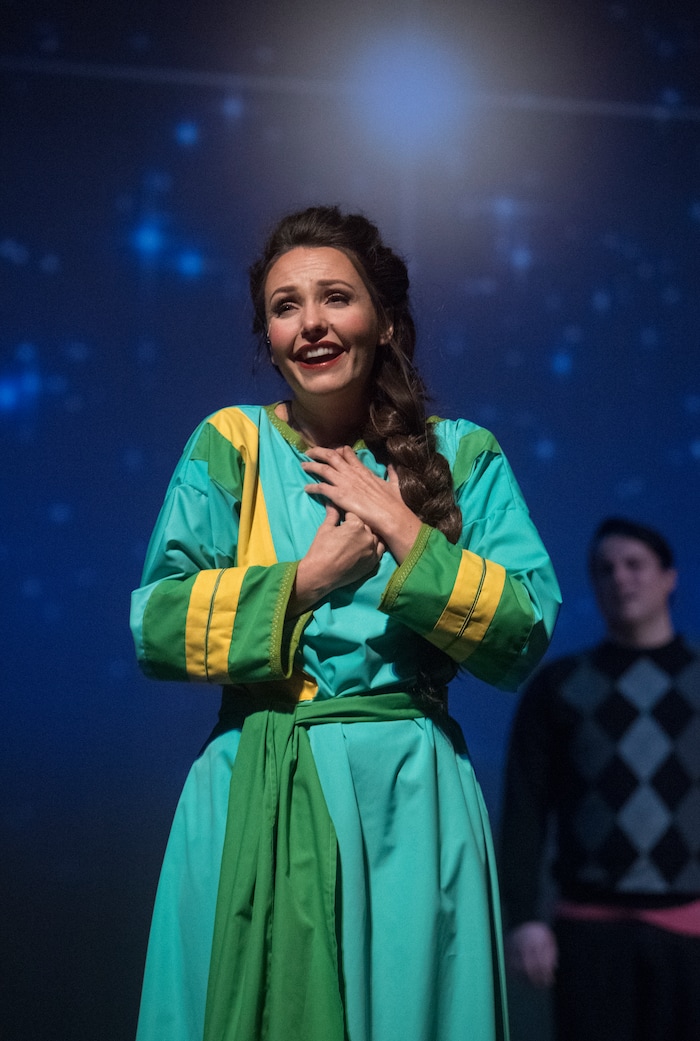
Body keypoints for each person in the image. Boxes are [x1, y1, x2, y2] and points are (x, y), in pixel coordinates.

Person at [130, 204, 560, 1041]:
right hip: (258, 781)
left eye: (336, 297)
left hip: (408, 796)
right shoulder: (232, 444)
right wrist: (302, 583)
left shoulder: (462, 454)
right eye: (285, 306)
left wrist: (400, 528)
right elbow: (157, 620)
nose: (311, 323)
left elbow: (523, 628)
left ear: (387, 322)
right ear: (268, 335)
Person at [500, 516, 700, 1041]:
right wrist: (524, 918)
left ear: (669, 576)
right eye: (604, 569)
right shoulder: (559, 688)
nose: (620, 579)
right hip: (587, 933)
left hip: (691, 931)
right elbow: (524, 809)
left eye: (635, 564)